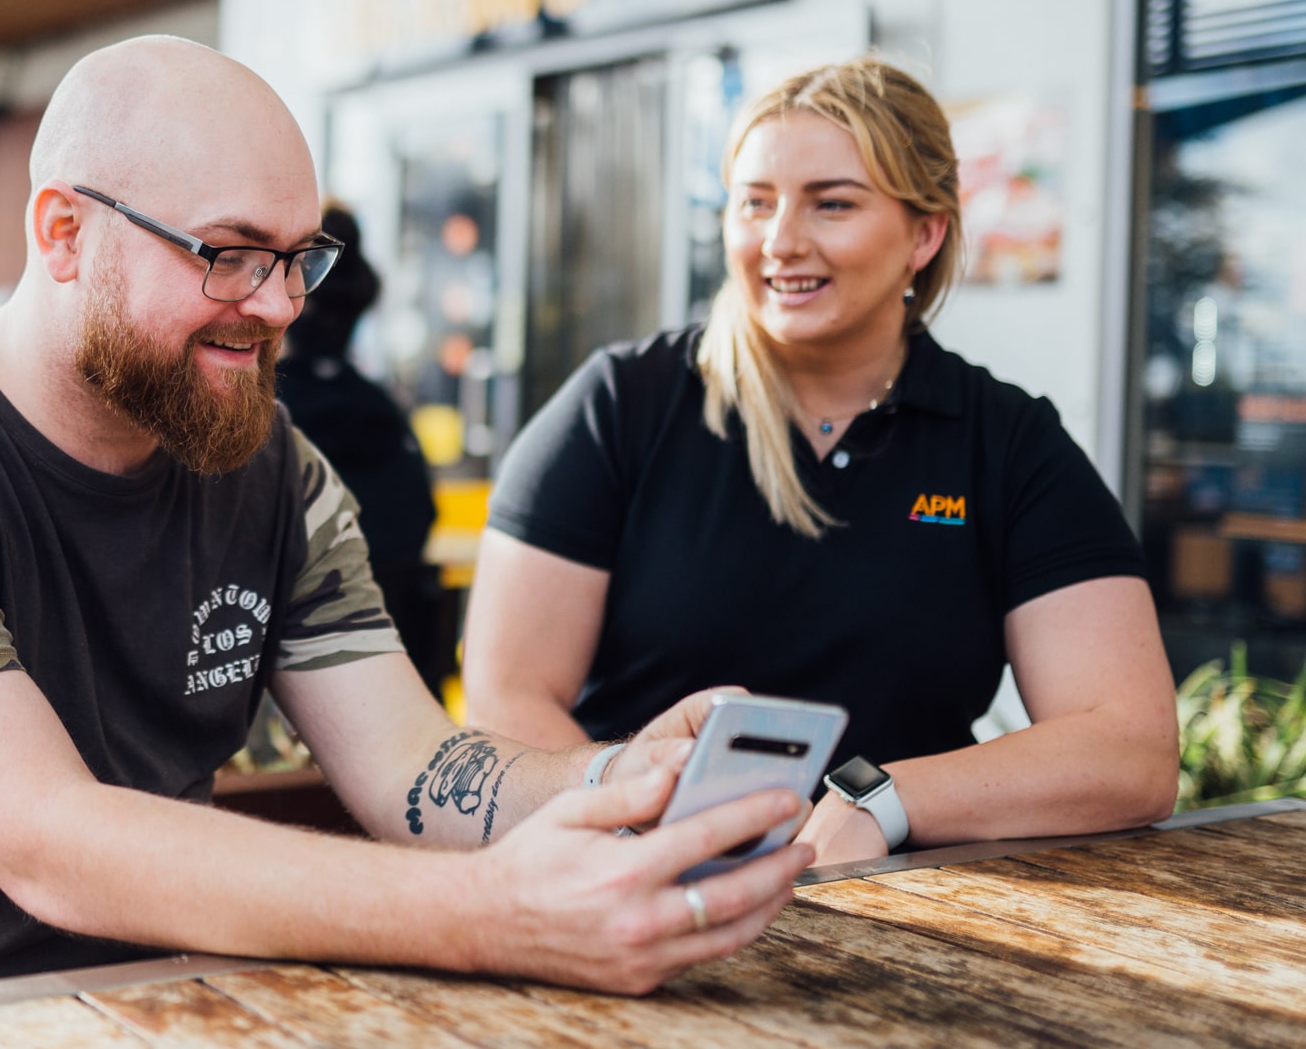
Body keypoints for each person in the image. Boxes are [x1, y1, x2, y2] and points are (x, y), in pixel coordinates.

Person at [0, 36, 812, 1012]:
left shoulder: (269, 463)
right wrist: (490, 911)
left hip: (141, 1009)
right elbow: (47, 839)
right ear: (64, 233)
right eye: (226, 252)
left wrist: (622, 781)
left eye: (296, 256)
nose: (276, 304)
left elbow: (411, 766)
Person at [461, 57, 1181, 868]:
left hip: (909, 912)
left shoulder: (1007, 443)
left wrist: (881, 800)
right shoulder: (620, 406)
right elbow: (505, 700)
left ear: (925, 233)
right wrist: (647, 835)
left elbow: (1131, 750)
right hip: (628, 885)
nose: (781, 241)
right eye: (755, 203)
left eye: (831, 203)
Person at [275, 204, 445, 690]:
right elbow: (419, 518)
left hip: (304, 673)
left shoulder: (268, 421)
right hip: (402, 658)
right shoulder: (382, 411)